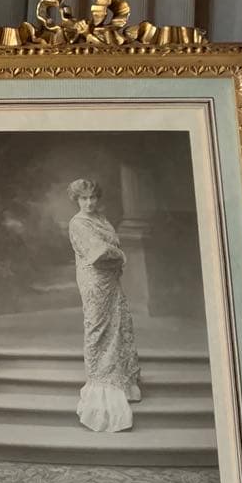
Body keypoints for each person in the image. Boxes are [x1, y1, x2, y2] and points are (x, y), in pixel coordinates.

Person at [66, 179, 141, 432]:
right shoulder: (78, 223)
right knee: (98, 329)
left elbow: (113, 244)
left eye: (92, 198)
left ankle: (122, 382)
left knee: (119, 323)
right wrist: (120, 254)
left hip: (110, 279)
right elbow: (98, 253)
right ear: (76, 200)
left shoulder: (101, 218)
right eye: (83, 198)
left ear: (98, 199)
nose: (88, 203)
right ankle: (101, 388)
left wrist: (115, 251)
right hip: (94, 281)